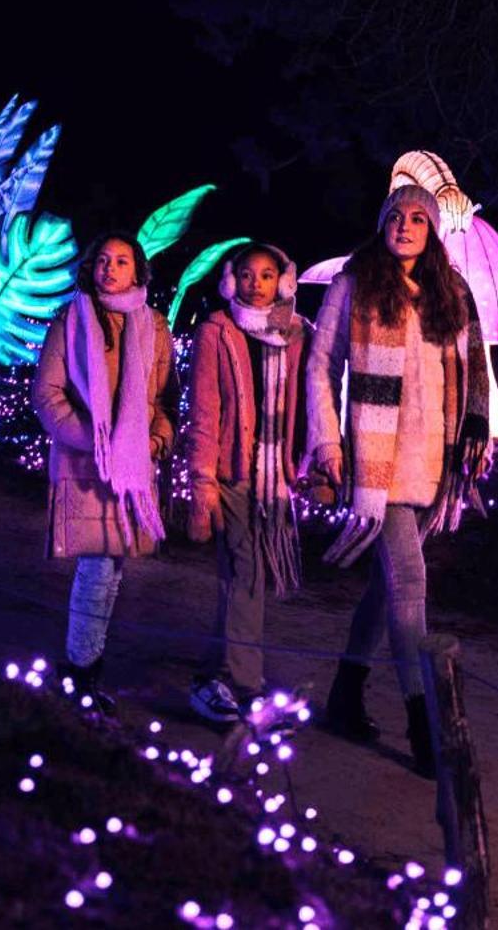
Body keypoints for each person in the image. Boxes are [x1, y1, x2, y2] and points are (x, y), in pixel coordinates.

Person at [305, 183, 491, 776]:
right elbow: (320, 366)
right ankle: (424, 727)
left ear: (432, 230)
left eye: (418, 218)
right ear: (381, 221)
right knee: (410, 583)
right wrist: (328, 442)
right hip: (375, 463)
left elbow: (474, 369)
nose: (406, 225)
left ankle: (344, 695)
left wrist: (473, 436)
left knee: (386, 588)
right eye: (396, 215)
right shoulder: (354, 283)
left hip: (433, 462)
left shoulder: (451, 291)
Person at [32, 231, 177, 712]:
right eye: (103, 260)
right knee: (97, 568)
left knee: (112, 570)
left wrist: (155, 440)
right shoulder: (72, 321)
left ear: (138, 270)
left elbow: (161, 399)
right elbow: (47, 396)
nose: (111, 268)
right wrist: (95, 443)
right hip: (85, 463)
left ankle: (85, 671)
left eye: (122, 260)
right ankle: (80, 674)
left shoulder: (154, 326)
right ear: (91, 268)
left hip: (134, 467)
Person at [181, 242, 308, 726]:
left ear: (284, 281)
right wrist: (201, 483)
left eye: (268, 274)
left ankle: (210, 674)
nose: (257, 283)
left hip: (273, 476)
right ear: (231, 281)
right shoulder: (217, 330)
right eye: (247, 274)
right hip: (231, 473)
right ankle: (247, 686)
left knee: (243, 578)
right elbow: (205, 412)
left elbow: (305, 402)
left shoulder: (295, 333)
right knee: (247, 570)